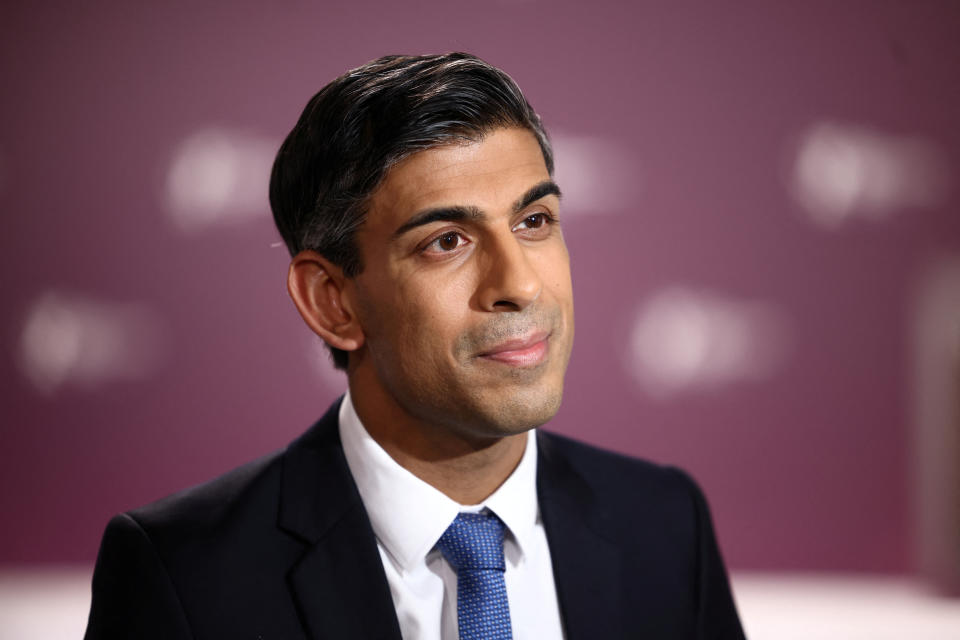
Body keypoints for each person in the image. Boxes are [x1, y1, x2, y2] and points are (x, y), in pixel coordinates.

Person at [85, 52, 745, 640]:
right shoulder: (183, 573)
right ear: (332, 302)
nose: (518, 284)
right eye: (446, 241)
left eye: (534, 221)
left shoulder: (664, 523)